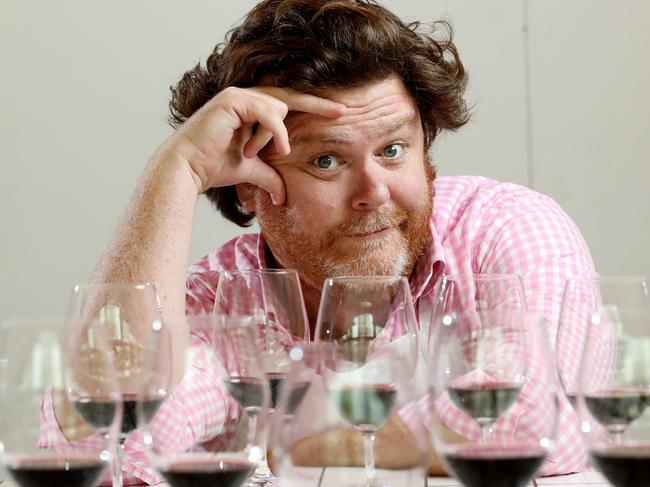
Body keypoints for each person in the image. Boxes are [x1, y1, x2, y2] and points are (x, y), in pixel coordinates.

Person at [44, 0, 595, 484]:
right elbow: (100, 433)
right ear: (251, 185)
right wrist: (178, 168)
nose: (374, 192)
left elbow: (538, 418)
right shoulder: (223, 299)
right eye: (326, 160)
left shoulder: (505, 230)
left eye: (394, 149)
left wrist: (307, 440)